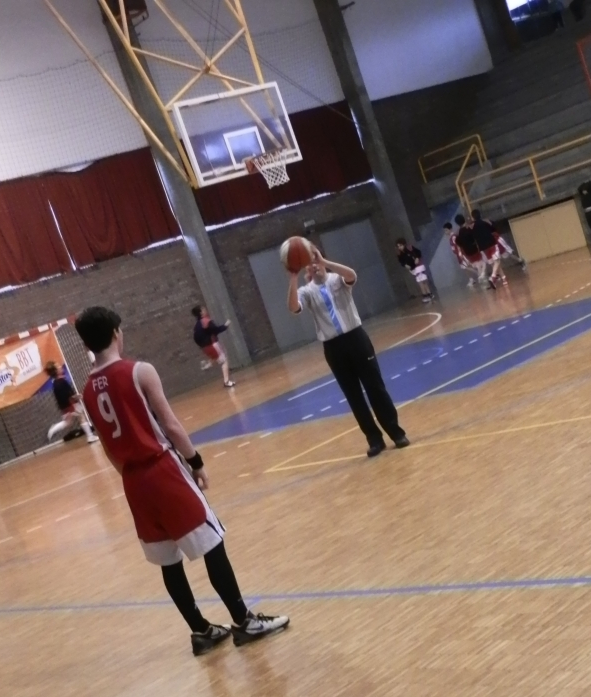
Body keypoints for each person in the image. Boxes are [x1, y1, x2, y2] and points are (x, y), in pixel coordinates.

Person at [76, 306, 289, 656]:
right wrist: (195, 461)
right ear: (116, 332)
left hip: (132, 481)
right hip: (162, 469)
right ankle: (244, 621)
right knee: (212, 542)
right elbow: (170, 424)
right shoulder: (139, 371)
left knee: (168, 561)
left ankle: (201, 631)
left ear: (86, 343)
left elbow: (107, 448)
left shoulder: (86, 391)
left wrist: (132, 477)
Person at [287, 246, 409, 458]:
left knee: (375, 388)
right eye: (310, 263)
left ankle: (396, 433)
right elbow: (293, 308)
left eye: (316, 260)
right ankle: (374, 439)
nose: (314, 266)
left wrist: (325, 262)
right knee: (353, 396)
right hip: (333, 347)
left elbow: (352, 275)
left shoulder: (336, 279)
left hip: (356, 339)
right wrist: (293, 278)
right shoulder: (306, 291)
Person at [45, 361, 98, 444]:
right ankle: (90, 436)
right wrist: (76, 397)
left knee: (68, 423)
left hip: (67, 406)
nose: (60, 367)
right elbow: (68, 395)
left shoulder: (57, 382)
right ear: (55, 371)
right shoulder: (61, 382)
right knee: (81, 417)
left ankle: (54, 428)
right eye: (58, 366)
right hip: (70, 405)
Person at [191, 305, 235, 388]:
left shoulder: (197, 325)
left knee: (216, 358)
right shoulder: (206, 321)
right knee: (224, 361)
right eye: (203, 309)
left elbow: (196, 338)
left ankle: (207, 365)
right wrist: (226, 325)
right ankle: (226, 381)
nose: (205, 310)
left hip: (205, 347)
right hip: (212, 344)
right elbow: (216, 330)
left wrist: (202, 346)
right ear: (201, 313)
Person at [471, 209, 503, 289]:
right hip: (491, 244)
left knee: (492, 263)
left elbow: (473, 238)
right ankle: (493, 276)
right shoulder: (485, 222)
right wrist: (491, 223)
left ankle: (496, 279)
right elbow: (493, 228)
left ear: (473, 217)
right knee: (497, 261)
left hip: (483, 248)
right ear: (480, 215)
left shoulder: (473, 227)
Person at [395, 238, 432, 303]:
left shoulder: (410, 248)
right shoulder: (400, 254)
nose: (399, 247)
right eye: (398, 246)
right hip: (413, 269)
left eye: (400, 245)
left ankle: (426, 295)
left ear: (404, 244)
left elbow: (418, 252)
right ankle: (429, 294)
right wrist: (405, 265)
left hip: (418, 266)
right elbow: (401, 262)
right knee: (422, 281)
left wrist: (417, 258)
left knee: (421, 281)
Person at [453, 214, 487, 286]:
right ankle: (482, 277)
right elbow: (475, 236)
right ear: (464, 219)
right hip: (474, 248)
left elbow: (458, 243)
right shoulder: (469, 228)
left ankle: (481, 277)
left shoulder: (458, 233)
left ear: (457, 223)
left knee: (477, 265)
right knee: (482, 262)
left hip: (468, 252)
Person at [444, 221, 479, 287]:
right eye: (445, 231)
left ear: (450, 229)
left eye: (446, 230)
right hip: (458, 254)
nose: (445, 232)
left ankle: (479, 273)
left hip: (460, 254)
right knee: (464, 267)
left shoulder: (454, 237)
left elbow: (458, 245)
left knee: (467, 266)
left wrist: (460, 253)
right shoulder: (451, 238)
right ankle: (471, 279)